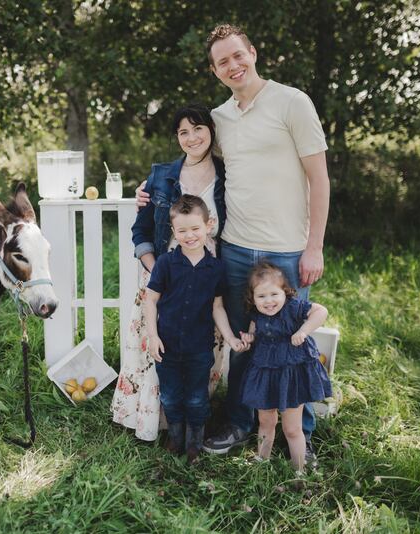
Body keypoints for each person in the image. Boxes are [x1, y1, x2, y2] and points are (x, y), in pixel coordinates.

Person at [136, 24, 331, 464]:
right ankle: (242, 424)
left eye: (238, 55)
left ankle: (301, 430)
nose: (233, 65)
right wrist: (149, 187)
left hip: (286, 247)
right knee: (246, 344)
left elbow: (319, 179)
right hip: (238, 247)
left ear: (253, 52)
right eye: (223, 61)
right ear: (215, 70)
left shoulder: (292, 102)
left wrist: (314, 246)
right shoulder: (220, 119)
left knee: (292, 341)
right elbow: (191, 156)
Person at [111, 104, 227, 442]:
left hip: (206, 277)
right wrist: (156, 268)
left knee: (200, 351)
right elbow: (141, 232)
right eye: (183, 132)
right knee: (157, 349)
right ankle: (154, 422)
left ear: (211, 131)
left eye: (198, 129)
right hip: (164, 276)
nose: (192, 138)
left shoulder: (228, 173)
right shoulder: (161, 175)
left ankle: (195, 422)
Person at [144, 195, 248, 463]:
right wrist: (153, 336)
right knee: (171, 396)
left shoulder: (216, 268)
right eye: (182, 230)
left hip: (199, 348)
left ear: (208, 225)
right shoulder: (166, 264)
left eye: (195, 229)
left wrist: (230, 338)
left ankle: (194, 443)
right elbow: (151, 300)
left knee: (196, 399)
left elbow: (217, 308)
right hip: (166, 345)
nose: (189, 236)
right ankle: (175, 437)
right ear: (173, 231)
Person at [238, 261, 331, 472]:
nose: (268, 301)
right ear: (252, 298)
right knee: (266, 421)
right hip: (265, 372)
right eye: (261, 296)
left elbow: (321, 311)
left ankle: (299, 470)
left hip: (291, 374)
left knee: (292, 428)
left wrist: (303, 331)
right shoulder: (257, 314)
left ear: (285, 292)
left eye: (274, 294)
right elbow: (255, 333)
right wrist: (248, 338)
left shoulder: (294, 308)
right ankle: (262, 463)